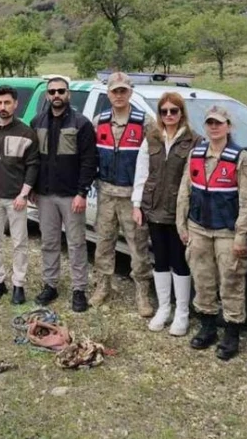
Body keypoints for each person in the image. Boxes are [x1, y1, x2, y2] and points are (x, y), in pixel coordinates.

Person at [177, 104, 247, 360]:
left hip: (227, 232)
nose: (214, 127)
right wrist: (183, 225)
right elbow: (184, 191)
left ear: (228, 127)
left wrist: (241, 236)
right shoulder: (196, 153)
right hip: (198, 228)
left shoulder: (240, 158)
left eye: (219, 123)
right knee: (202, 280)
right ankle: (207, 326)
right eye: (210, 123)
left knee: (231, 281)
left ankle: (232, 333)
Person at [132, 91, 200, 335]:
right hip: (154, 208)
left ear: (181, 112)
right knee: (160, 260)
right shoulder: (151, 137)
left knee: (179, 261)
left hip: (179, 212)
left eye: (174, 110)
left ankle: (182, 312)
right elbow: (142, 172)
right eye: (164, 111)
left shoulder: (194, 140)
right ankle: (164, 308)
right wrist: (136, 204)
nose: (169, 115)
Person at [91, 72, 157, 317]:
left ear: (130, 92)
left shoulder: (145, 123)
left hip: (133, 196)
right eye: (114, 91)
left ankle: (142, 292)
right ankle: (103, 286)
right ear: (108, 94)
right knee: (104, 243)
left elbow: (156, 158)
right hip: (106, 192)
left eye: (123, 91)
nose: (118, 95)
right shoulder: (100, 121)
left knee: (138, 246)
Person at [30, 77, 98, 312]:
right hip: (45, 195)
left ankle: (79, 289)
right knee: (49, 242)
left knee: (77, 243)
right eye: (52, 91)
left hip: (71, 196)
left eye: (61, 91)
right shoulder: (36, 122)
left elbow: (89, 161)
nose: (56, 95)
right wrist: (31, 187)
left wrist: (82, 192)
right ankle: (50, 285)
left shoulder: (82, 124)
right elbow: (33, 160)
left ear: (68, 94)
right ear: (47, 95)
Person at [0, 85, 39, 305]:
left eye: (7, 103)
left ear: (15, 104)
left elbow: (33, 166)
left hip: (16, 198)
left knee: (19, 243)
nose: (3, 107)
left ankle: (19, 285)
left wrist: (23, 194)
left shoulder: (26, 132)